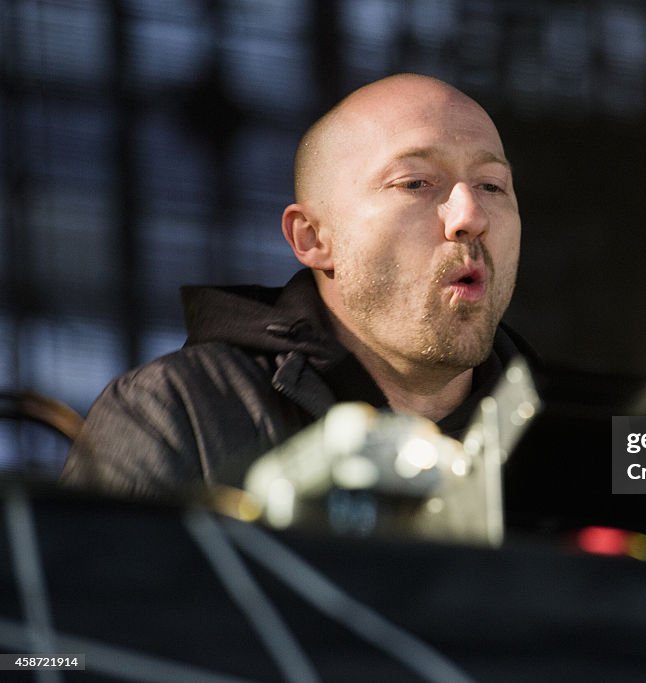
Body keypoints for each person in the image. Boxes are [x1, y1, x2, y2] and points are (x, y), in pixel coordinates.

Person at [61, 73, 529, 498]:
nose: (471, 217)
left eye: (492, 186)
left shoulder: (593, 435)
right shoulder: (177, 409)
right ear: (312, 238)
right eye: (415, 183)